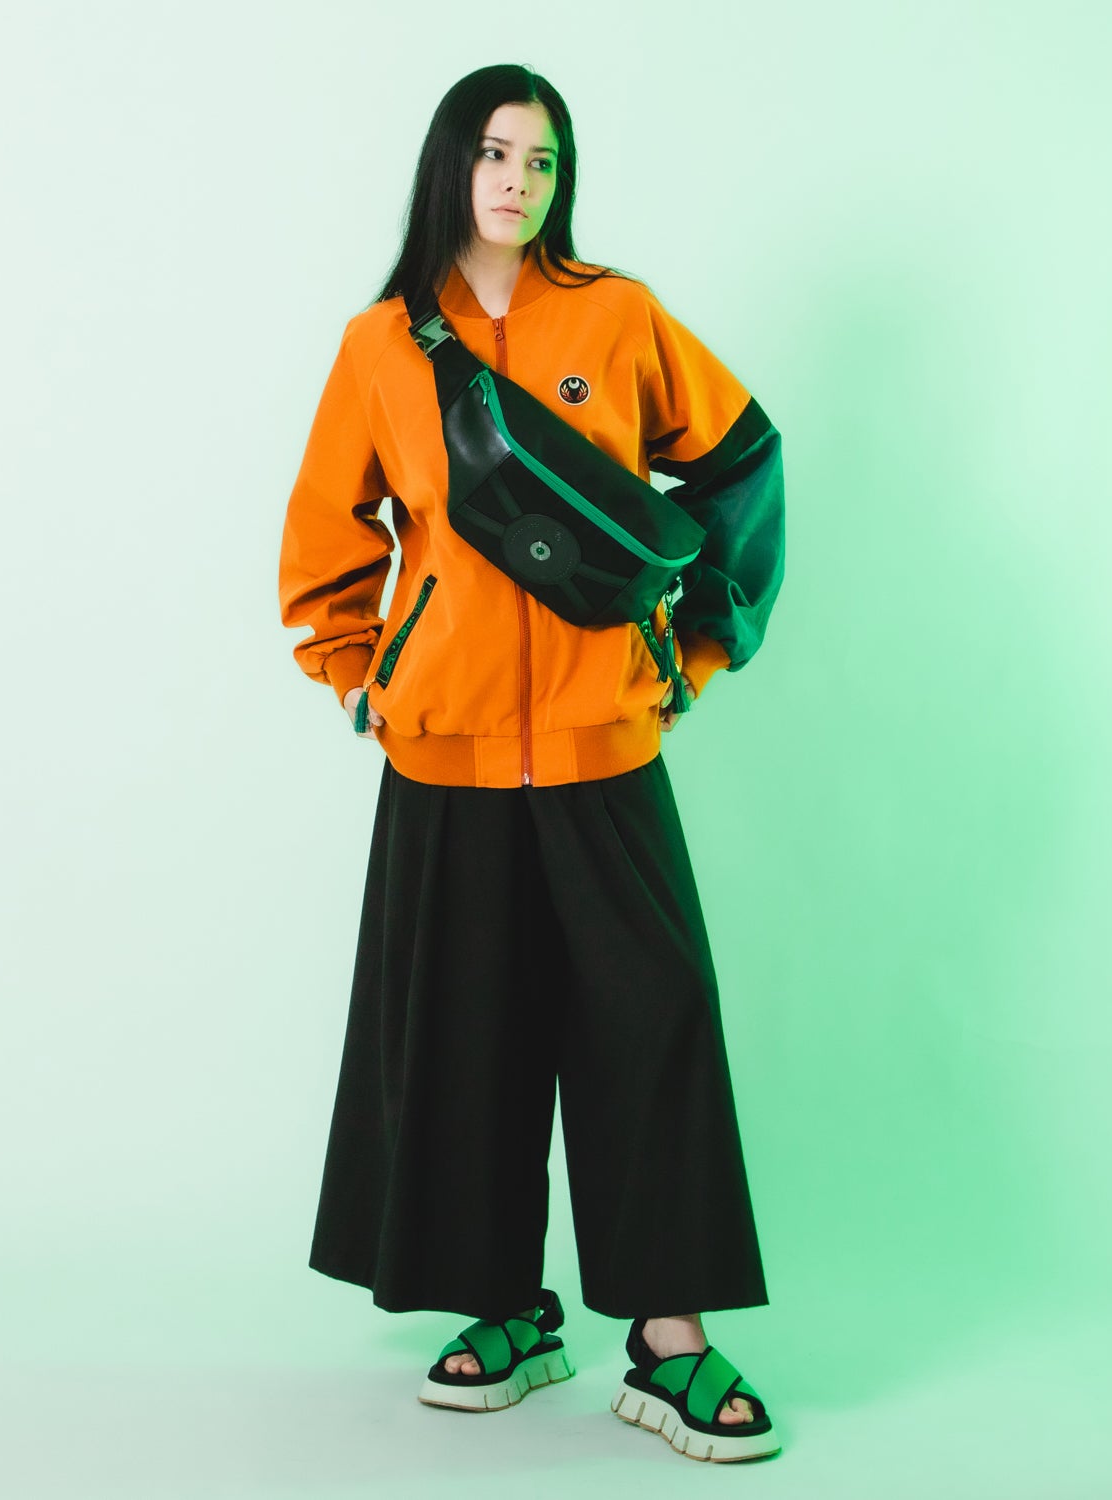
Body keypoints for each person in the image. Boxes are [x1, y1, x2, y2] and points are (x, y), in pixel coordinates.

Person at [278, 63, 786, 1464]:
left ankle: (670, 1341)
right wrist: (362, 675)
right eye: (495, 154)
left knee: (655, 1022)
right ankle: (505, 1309)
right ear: (452, 165)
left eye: (543, 159)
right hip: (442, 758)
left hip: (600, 744)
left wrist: (693, 650)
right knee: (462, 1035)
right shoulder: (382, 344)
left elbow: (745, 461)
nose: (518, 181)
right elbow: (325, 544)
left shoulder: (617, 317)